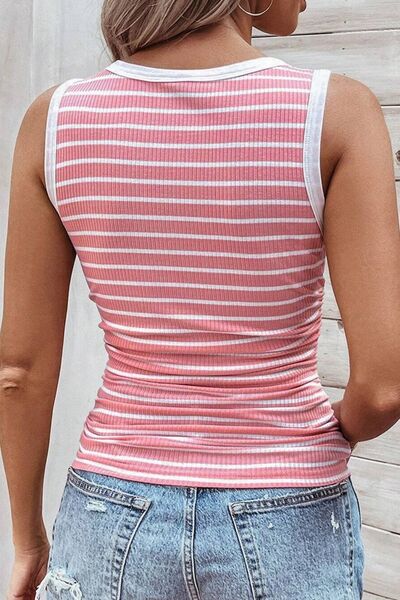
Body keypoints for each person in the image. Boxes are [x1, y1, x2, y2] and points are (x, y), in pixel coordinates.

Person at [1, 0, 400, 598]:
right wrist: (331, 429)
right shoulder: (335, 111)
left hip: (110, 506)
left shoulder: (56, 118)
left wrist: (29, 539)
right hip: (288, 508)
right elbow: (385, 387)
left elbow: (19, 372)